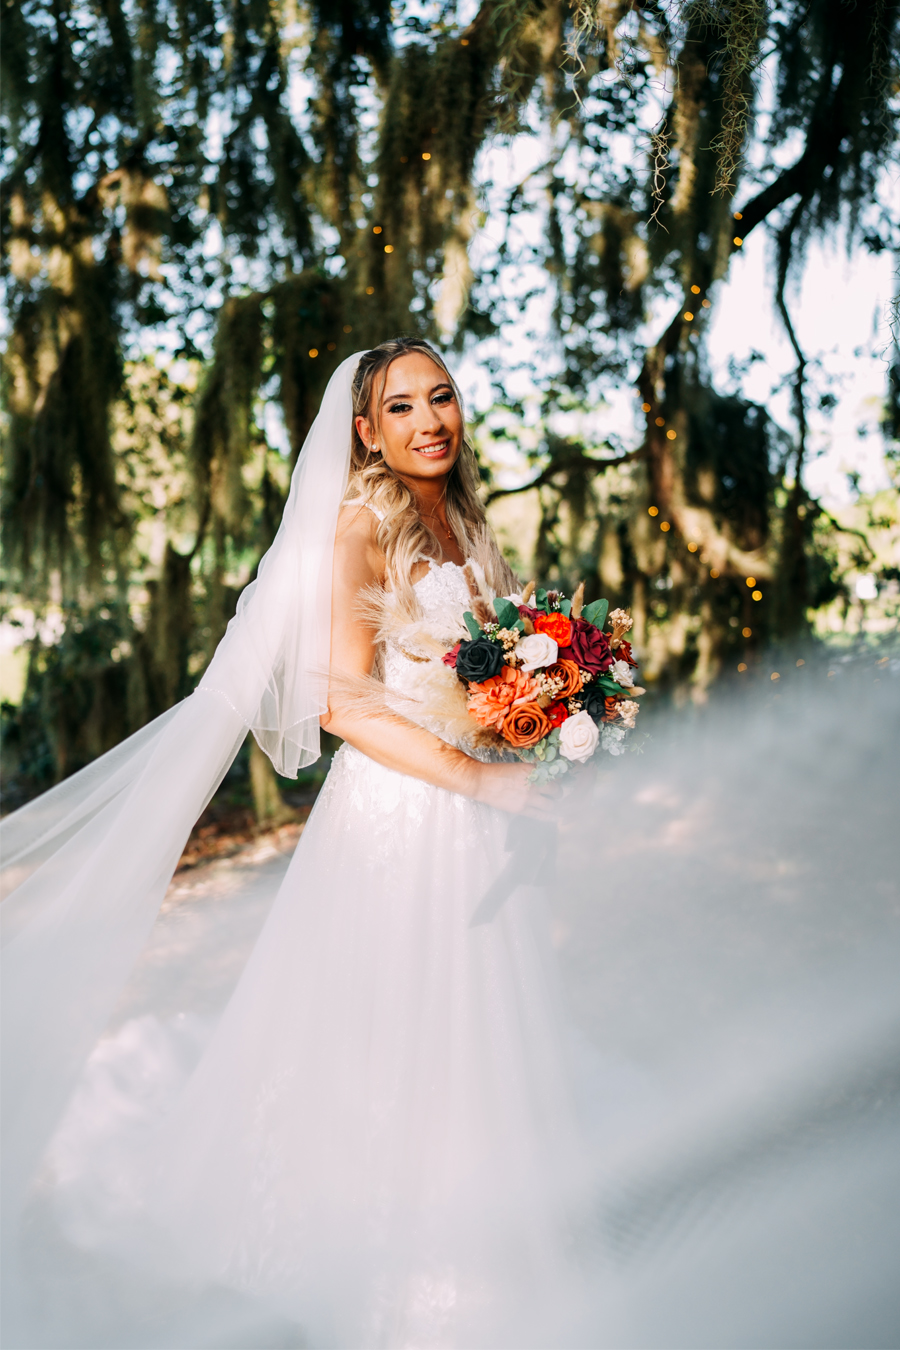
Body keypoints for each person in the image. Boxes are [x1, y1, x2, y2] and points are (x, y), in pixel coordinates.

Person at [1, 340, 593, 1348]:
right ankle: (393, 1282)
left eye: (440, 397)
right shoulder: (358, 523)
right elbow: (338, 701)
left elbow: (475, 674)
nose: (428, 421)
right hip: (403, 816)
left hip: (479, 817)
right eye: (400, 407)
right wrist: (476, 775)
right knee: (399, 1038)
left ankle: (486, 1246)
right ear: (365, 431)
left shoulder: (468, 518)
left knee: (473, 1027)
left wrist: (536, 713)